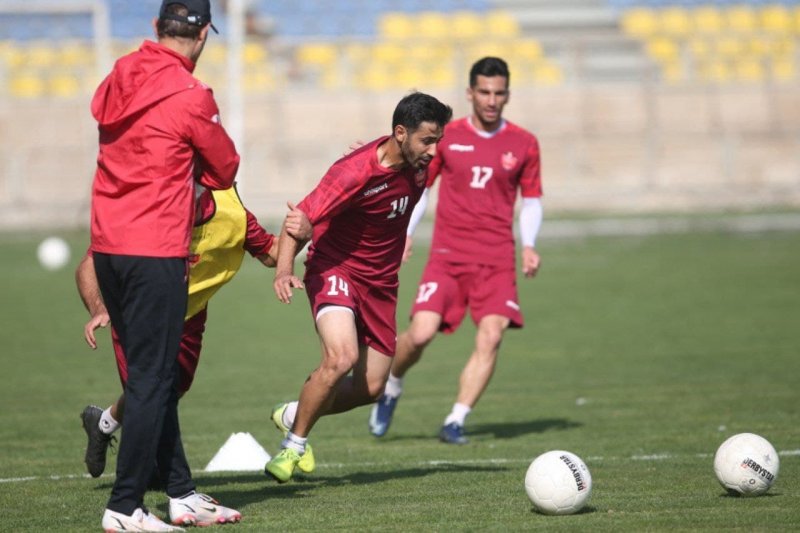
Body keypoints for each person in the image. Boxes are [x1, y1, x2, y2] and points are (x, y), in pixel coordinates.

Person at [88, 1, 241, 530]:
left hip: (108, 246)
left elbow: (103, 115)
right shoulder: (192, 94)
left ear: (158, 28)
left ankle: (180, 493)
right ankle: (125, 505)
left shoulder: (119, 74)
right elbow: (225, 168)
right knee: (154, 381)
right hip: (155, 248)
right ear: (201, 38)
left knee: (150, 376)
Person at [265, 92, 452, 483]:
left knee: (371, 388)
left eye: (438, 140)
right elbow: (298, 220)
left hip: (381, 284)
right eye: (428, 140)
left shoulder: (419, 162)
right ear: (401, 133)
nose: (434, 150)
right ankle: (293, 448)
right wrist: (284, 270)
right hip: (336, 269)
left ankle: (292, 414)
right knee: (341, 358)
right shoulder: (352, 173)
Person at [78, 186, 305, 487]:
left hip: (189, 314)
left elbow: (272, 253)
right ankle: (141, 495)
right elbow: (89, 264)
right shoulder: (146, 208)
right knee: (152, 392)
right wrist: (99, 308)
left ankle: (103, 423)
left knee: (171, 389)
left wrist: (300, 232)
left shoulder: (232, 214)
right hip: (136, 311)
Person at [368, 57, 544, 445]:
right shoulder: (447, 137)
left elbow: (531, 200)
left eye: (499, 93)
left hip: (497, 258)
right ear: (471, 93)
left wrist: (529, 244)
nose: (491, 99)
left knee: (492, 336)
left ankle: (456, 420)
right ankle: (392, 385)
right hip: (448, 255)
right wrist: (406, 232)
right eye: (484, 91)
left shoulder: (524, 143)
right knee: (420, 334)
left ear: (508, 94)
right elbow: (422, 189)